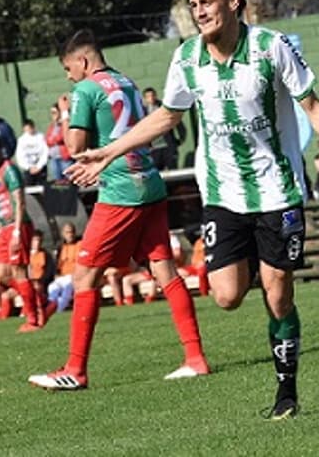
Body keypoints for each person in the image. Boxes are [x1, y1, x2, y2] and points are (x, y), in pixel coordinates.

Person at [64, 0, 319, 419]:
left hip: (277, 191)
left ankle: (286, 390)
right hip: (222, 194)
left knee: (278, 297)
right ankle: (259, 260)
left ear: (233, 2)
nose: (199, 11)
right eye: (194, 5)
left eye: (207, 2)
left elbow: (311, 106)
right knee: (226, 296)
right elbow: (167, 117)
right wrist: (108, 152)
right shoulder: (187, 58)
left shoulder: (271, 48)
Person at [28, 28, 210, 392]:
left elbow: (75, 147)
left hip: (121, 189)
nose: (69, 77)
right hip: (150, 182)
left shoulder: (85, 90)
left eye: (68, 68)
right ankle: (195, 359)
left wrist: (65, 115)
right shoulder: (125, 81)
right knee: (165, 270)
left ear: (82, 61)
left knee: (84, 278)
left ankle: (76, 371)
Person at [0, 135, 43, 332]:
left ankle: (32, 319)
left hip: (18, 226)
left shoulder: (10, 170)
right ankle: (41, 302)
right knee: (3, 275)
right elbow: (3, 204)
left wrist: (16, 231)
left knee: (19, 272)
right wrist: (0, 231)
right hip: (5, 228)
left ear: (1, 150)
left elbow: (20, 201)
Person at [142, 87, 186, 170]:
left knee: (173, 169)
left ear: (156, 96)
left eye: (153, 95)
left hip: (168, 146)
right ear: (145, 99)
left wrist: (179, 140)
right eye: (148, 97)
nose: (151, 98)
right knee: (156, 172)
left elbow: (178, 123)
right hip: (154, 148)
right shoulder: (142, 112)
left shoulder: (164, 108)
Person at [46, 222, 78, 312]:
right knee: (52, 287)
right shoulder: (60, 247)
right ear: (63, 234)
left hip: (74, 276)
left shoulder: (80, 245)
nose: (70, 235)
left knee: (67, 289)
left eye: (71, 232)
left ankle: (58, 310)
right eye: (67, 233)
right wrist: (56, 274)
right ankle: (50, 307)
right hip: (62, 276)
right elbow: (56, 265)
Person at [15, 119, 50, 186]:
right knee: (29, 189)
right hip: (28, 170)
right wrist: (28, 167)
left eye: (30, 128)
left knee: (43, 188)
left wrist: (39, 166)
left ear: (33, 127)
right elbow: (20, 156)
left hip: (41, 169)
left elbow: (45, 152)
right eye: (26, 129)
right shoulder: (21, 140)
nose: (29, 131)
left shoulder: (41, 137)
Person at [45, 103, 73, 183]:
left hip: (64, 158)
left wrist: (53, 140)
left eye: (54, 113)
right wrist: (52, 140)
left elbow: (63, 137)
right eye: (51, 113)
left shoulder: (67, 124)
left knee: (69, 180)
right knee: (58, 181)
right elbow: (47, 140)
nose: (52, 115)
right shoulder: (52, 126)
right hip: (54, 157)